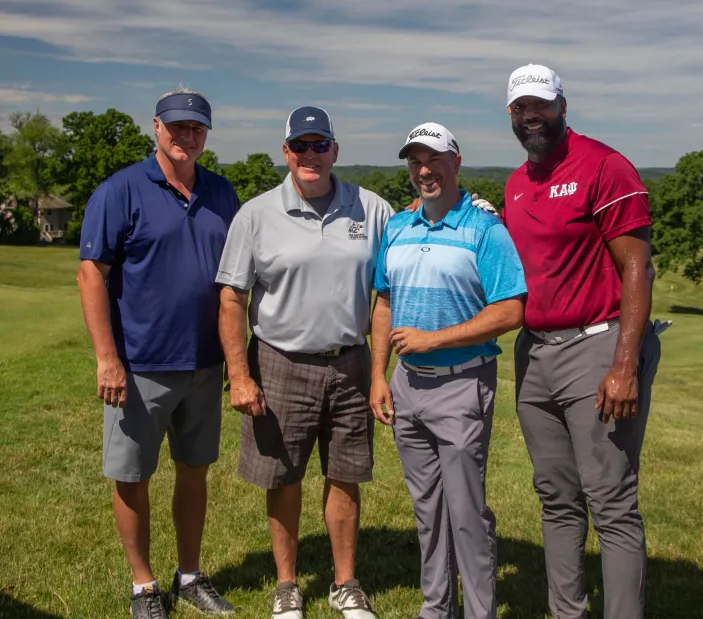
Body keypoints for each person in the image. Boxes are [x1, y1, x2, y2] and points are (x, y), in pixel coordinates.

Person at [216, 106, 391, 619]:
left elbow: (390, 285)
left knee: (346, 475)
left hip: (350, 363)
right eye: (301, 145)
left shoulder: (372, 208)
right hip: (278, 361)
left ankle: (344, 583)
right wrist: (240, 376)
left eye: (320, 145)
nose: (310, 155)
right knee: (282, 477)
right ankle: (287, 584)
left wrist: (472, 207)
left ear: (335, 150)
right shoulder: (256, 213)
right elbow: (232, 298)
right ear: (285, 152)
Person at [502, 64, 663, 619]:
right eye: (522, 108)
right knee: (557, 499)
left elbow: (637, 266)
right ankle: (565, 612)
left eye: (541, 105)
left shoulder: (604, 165)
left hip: (599, 344)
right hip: (535, 352)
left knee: (611, 502)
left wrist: (624, 365)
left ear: (563, 106)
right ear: (511, 115)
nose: (532, 116)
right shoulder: (517, 183)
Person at [77, 90, 239, 619]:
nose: (186, 136)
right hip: (139, 365)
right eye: (177, 126)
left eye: (197, 128)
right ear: (156, 127)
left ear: (206, 134)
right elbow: (91, 274)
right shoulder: (120, 190)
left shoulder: (221, 193)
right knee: (133, 477)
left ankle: (189, 575)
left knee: (195, 471)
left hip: (204, 363)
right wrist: (107, 358)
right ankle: (144, 586)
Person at [369, 122, 527, 619]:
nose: (424, 170)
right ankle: (437, 609)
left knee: (466, 515)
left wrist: (433, 339)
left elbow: (510, 311)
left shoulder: (485, 228)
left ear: (455, 162)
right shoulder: (398, 226)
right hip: (406, 385)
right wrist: (379, 374)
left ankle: (479, 612)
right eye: (415, 161)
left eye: (434, 159)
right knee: (427, 511)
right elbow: (384, 302)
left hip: (462, 383)